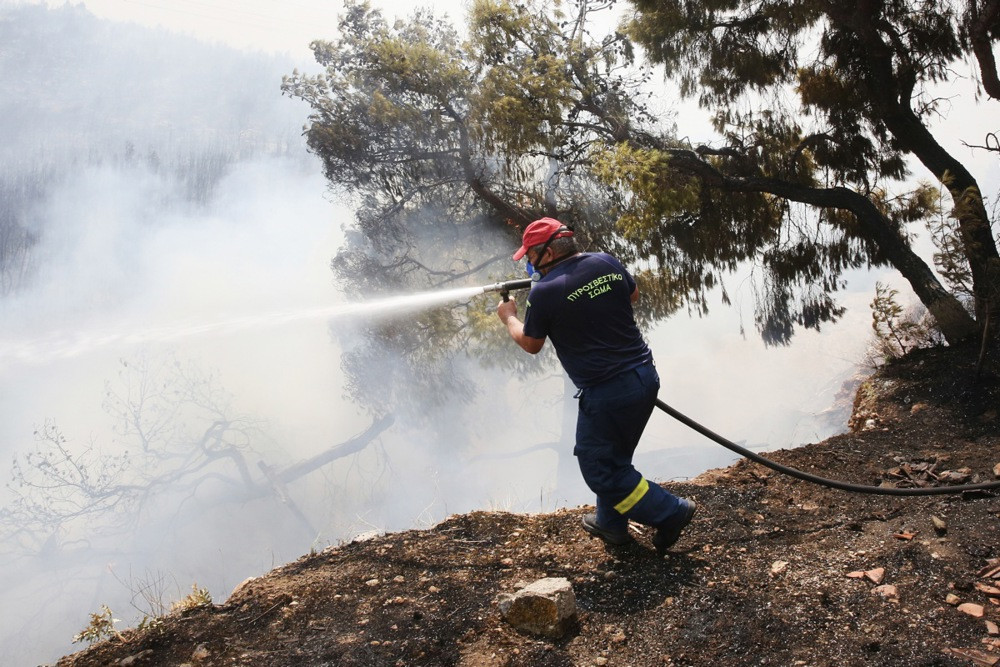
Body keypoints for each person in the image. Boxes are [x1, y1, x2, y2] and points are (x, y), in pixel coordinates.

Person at [496, 217, 696, 555]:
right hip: (644, 377)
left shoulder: (544, 292)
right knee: (613, 459)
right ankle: (611, 524)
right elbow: (631, 294)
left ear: (546, 253)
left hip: (608, 392)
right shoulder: (605, 261)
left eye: (529, 254)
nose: (528, 261)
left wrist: (509, 317)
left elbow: (531, 344)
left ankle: (671, 512)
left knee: (600, 471)